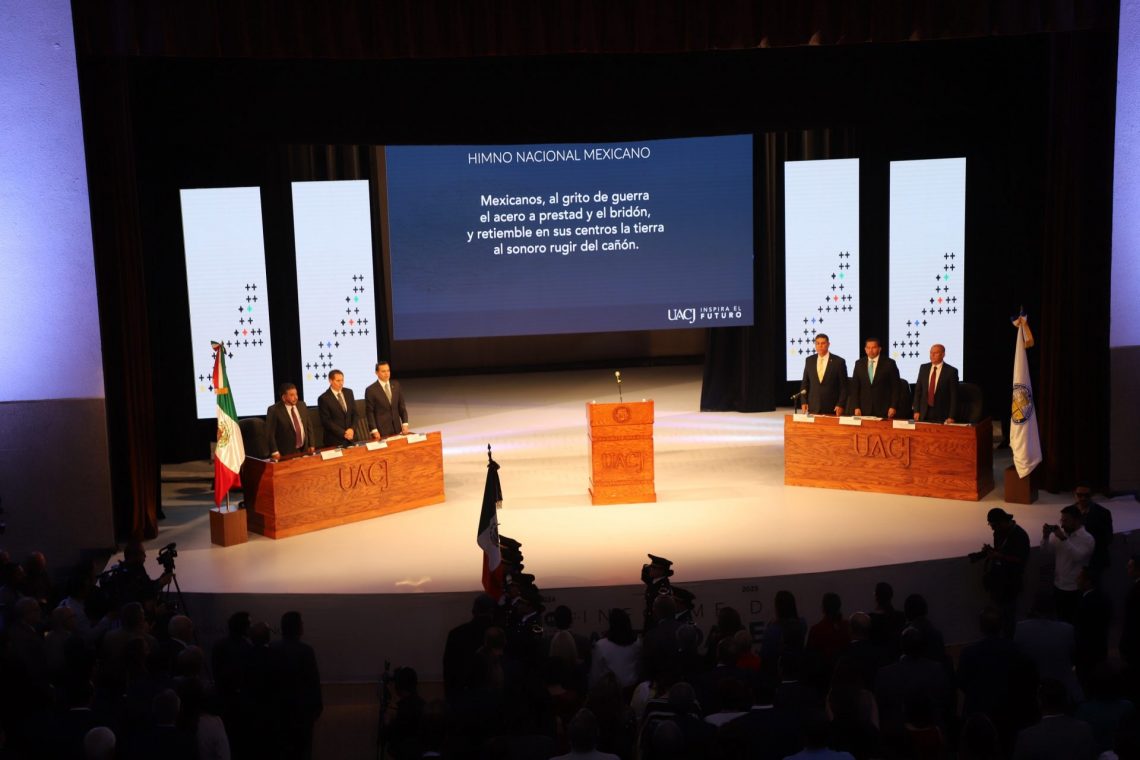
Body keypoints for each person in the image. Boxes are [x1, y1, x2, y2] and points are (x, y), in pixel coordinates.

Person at [979, 507, 1031, 637]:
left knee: (1008, 616)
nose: (993, 529)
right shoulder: (999, 532)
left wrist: (999, 556)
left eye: (994, 525)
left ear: (1002, 521)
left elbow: (1021, 559)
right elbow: (1001, 551)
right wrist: (991, 551)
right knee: (998, 614)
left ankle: (1008, 641)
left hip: (1010, 583)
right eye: (991, 525)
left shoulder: (1020, 535)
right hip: (998, 581)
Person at [1041, 505, 1095, 625]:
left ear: (1076, 520)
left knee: (1073, 622)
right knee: (1060, 620)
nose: (1062, 524)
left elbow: (1077, 557)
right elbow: (1046, 552)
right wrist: (1045, 537)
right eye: (1062, 520)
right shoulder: (1062, 535)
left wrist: (1063, 539)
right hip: (1058, 584)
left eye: (1066, 521)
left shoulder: (1087, 539)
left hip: (1075, 588)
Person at [850, 337, 901, 418]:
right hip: (863, 410)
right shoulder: (859, 364)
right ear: (865, 349)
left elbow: (896, 387)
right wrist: (856, 407)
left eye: (873, 347)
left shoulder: (889, 363)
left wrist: (893, 406)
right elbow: (855, 388)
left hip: (884, 409)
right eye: (868, 348)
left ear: (879, 349)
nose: (871, 350)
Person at [800, 333, 847, 415]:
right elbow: (805, 383)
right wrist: (804, 401)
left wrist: (840, 404)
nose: (820, 346)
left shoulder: (839, 362)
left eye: (823, 343)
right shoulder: (809, 360)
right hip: (813, 407)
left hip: (833, 407)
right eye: (817, 343)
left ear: (828, 344)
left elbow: (844, 387)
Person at [1073, 486, 1113, 580]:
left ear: (1092, 495)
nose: (1083, 498)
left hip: (1094, 560)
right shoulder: (1070, 511)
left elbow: (1108, 538)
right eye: (1080, 495)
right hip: (1075, 559)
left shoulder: (1103, 513)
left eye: (1086, 495)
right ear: (1074, 495)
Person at [912, 343, 959, 423]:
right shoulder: (923, 368)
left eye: (935, 353)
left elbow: (954, 396)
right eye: (931, 352)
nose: (932, 355)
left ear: (943, 354)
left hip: (942, 414)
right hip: (923, 413)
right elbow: (918, 391)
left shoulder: (951, 371)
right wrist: (916, 410)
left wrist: (951, 416)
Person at [266, 382, 315, 460]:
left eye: (296, 394)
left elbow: (309, 426)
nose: (296, 397)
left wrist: (311, 444)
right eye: (292, 395)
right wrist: (274, 451)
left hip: (304, 450)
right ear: (284, 397)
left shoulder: (302, 405)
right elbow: (270, 433)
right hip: (285, 453)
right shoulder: (274, 410)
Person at [366, 360, 409, 438]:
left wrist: (405, 423)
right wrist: (374, 430)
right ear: (376, 373)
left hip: (397, 429)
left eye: (388, 371)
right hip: (381, 431)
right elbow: (370, 413)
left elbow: (402, 407)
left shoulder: (396, 385)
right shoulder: (371, 390)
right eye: (383, 371)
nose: (387, 373)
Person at [317, 369, 358, 448]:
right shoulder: (323, 398)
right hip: (335, 440)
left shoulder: (349, 392)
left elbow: (355, 414)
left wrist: (352, 429)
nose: (341, 383)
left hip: (352, 437)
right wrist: (344, 433)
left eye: (342, 380)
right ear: (330, 381)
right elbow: (326, 421)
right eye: (338, 380)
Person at [641, 554, 674, 632]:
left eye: (653, 568)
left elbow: (662, 611)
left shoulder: (663, 587)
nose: (650, 569)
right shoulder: (654, 582)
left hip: (656, 625)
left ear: (661, 571)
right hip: (651, 622)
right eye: (650, 567)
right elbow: (644, 577)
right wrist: (645, 566)